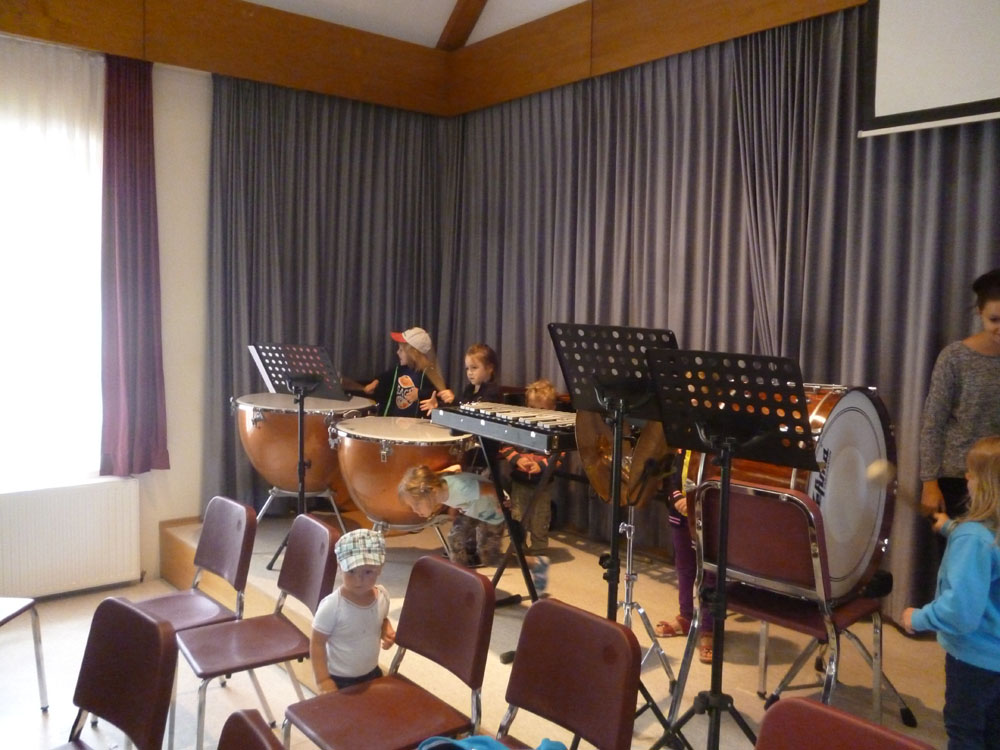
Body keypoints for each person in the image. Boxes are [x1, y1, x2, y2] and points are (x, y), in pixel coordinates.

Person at [903, 435, 1000, 750]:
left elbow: (959, 611)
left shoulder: (974, 539)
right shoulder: (983, 536)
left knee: (965, 733)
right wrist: (950, 528)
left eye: (972, 473)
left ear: (985, 486)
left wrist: (919, 618)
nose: (966, 477)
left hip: (974, 661)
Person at [920, 268, 1000, 519]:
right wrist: (929, 484)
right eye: (994, 319)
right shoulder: (954, 357)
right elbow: (933, 424)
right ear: (980, 313)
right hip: (959, 480)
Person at [399, 464, 551, 590]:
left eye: (416, 505)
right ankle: (462, 581)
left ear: (430, 491)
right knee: (455, 540)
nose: (415, 510)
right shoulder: (439, 488)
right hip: (473, 509)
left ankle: (537, 563)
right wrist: (454, 508)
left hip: (492, 513)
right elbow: (456, 472)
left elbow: (490, 488)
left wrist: (502, 502)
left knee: (489, 558)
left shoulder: (461, 489)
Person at [310, 528, 396, 691]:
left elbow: (381, 619)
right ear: (340, 567)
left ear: (380, 568)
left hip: (372, 672)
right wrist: (322, 680)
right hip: (339, 678)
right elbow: (317, 643)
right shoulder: (332, 606)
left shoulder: (382, 596)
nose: (359, 580)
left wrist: (386, 629)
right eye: (351, 571)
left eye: (368, 572)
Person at [653, 450, 715, 664]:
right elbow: (670, 476)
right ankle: (686, 616)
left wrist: (694, 503)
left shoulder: (715, 448)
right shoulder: (682, 444)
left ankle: (708, 629)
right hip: (679, 513)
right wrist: (678, 498)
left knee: (710, 573)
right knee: (684, 568)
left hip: (708, 514)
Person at [498, 379, 560, 552]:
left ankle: (539, 548)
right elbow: (506, 446)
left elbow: (559, 455)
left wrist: (542, 465)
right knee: (518, 515)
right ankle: (519, 545)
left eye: (542, 409)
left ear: (552, 408)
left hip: (543, 484)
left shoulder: (554, 430)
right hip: (520, 482)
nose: (537, 413)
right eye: (533, 408)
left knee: (540, 517)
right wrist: (517, 459)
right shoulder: (519, 425)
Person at [363, 327, 455, 417]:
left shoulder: (429, 373)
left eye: (401, 350)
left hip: (416, 424)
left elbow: (440, 394)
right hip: (394, 422)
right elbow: (386, 376)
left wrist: (419, 394)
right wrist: (376, 382)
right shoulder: (400, 369)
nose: (397, 352)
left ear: (413, 354)